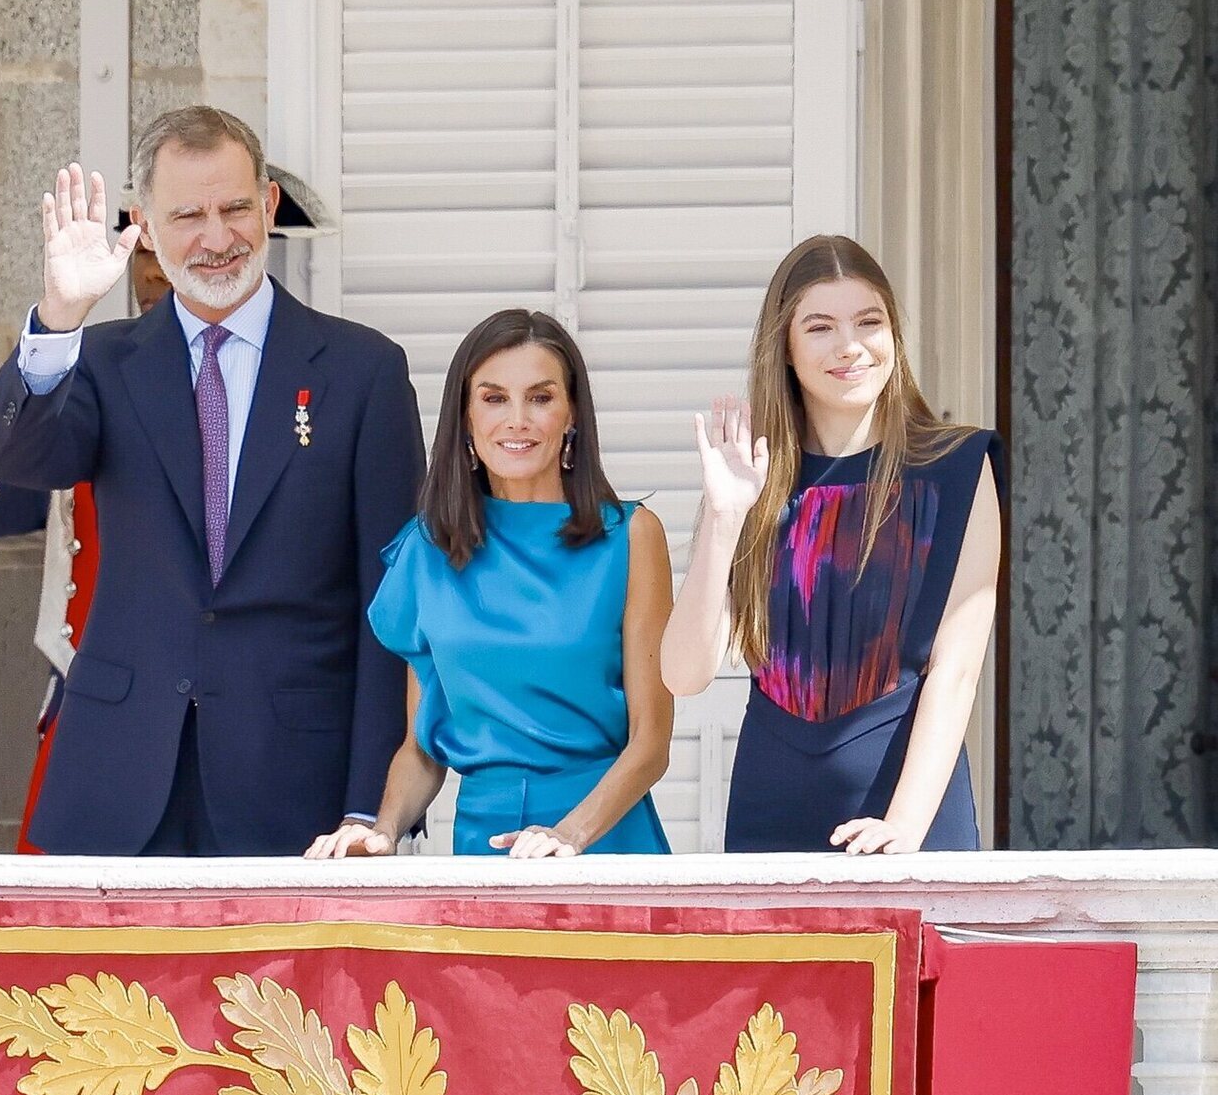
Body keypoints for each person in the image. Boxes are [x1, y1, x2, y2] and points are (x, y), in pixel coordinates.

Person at [0, 105, 424, 855]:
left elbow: (392, 605)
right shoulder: (104, 361)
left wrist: (368, 807)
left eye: (235, 208)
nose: (217, 239)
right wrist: (58, 315)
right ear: (145, 225)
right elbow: (20, 459)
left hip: (294, 788)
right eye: (187, 215)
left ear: (270, 205)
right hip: (119, 780)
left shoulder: (362, 372)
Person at [0, 168, 334, 854]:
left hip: (263, 730)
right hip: (109, 713)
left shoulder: (328, 380)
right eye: (145, 253)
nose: (156, 275)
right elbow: (17, 479)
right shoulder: (98, 378)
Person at [659, 235, 1003, 854]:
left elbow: (955, 672)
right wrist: (723, 516)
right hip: (772, 811)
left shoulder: (957, 466)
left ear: (892, 336)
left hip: (909, 809)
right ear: (785, 350)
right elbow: (684, 675)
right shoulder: (752, 479)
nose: (849, 346)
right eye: (820, 327)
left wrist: (903, 828)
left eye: (868, 322)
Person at [306, 310, 673, 860]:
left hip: (604, 839)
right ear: (466, 416)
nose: (517, 420)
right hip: (482, 845)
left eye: (541, 398)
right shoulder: (426, 549)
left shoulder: (630, 537)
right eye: (495, 398)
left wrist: (568, 835)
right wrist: (381, 831)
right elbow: (421, 749)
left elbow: (651, 744)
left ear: (571, 414)